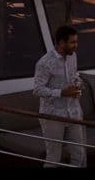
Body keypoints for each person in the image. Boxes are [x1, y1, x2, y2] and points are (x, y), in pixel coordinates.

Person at [31, 25, 85, 167]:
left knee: (79, 154)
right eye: (72, 42)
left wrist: (78, 84)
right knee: (54, 157)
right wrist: (61, 93)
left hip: (73, 112)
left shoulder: (73, 57)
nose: (76, 46)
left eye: (76, 42)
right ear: (61, 43)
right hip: (52, 115)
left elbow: (75, 76)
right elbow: (37, 89)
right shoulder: (45, 63)